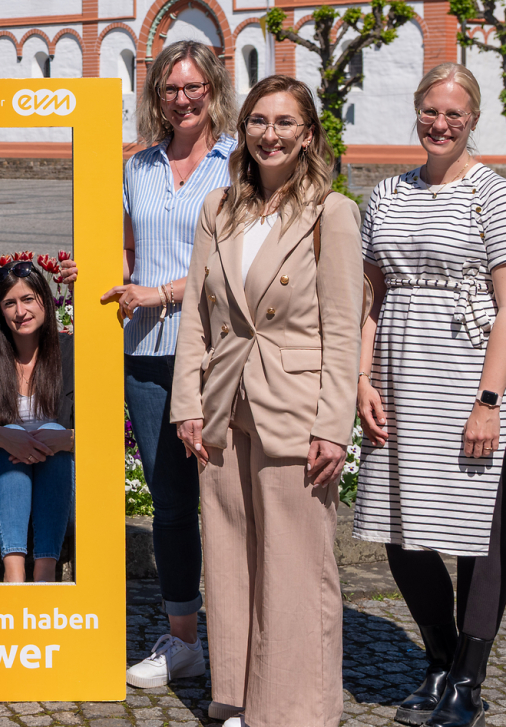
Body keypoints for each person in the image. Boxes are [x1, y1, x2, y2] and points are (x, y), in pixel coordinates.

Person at [354, 63, 506, 727]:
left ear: (472, 121)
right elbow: (371, 297)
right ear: (417, 112)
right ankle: (437, 657)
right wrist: (361, 377)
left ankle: (467, 678)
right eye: (431, 112)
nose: (440, 124)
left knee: (477, 536)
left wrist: (488, 402)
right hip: (402, 378)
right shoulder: (385, 196)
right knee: (401, 532)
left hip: (470, 379)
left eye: (454, 116)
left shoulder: (496, 197)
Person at [171, 74, 359, 727]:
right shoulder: (218, 208)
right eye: (258, 121)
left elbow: (342, 328)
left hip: (294, 405)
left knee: (295, 567)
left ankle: (296, 711)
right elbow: (196, 313)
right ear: (242, 129)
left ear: (308, 137)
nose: (270, 135)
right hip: (223, 404)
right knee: (229, 558)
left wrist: (334, 427)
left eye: (284, 123)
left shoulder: (330, 214)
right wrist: (185, 404)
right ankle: (240, 696)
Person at [98, 39, 236, 687]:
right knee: (173, 505)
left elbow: (240, 264)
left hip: (220, 354)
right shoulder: (139, 166)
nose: (181, 98)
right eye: (170, 88)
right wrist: (96, 278)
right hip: (147, 356)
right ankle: (184, 641)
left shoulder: (237, 163)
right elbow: (128, 250)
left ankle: (245, 640)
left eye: (193, 86)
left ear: (213, 90)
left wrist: (164, 293)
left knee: (234, 499)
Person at [0, 260, 76, 583]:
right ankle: (14, 577)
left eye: (28, 299)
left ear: (45, 300)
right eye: (9, 303)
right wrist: (3, 437)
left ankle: (44, 573)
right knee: (5, 432)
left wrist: (65, 440)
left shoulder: (69, 351)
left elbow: (96, 429)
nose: (19, 311)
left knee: (55, 431)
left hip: (60, 501)